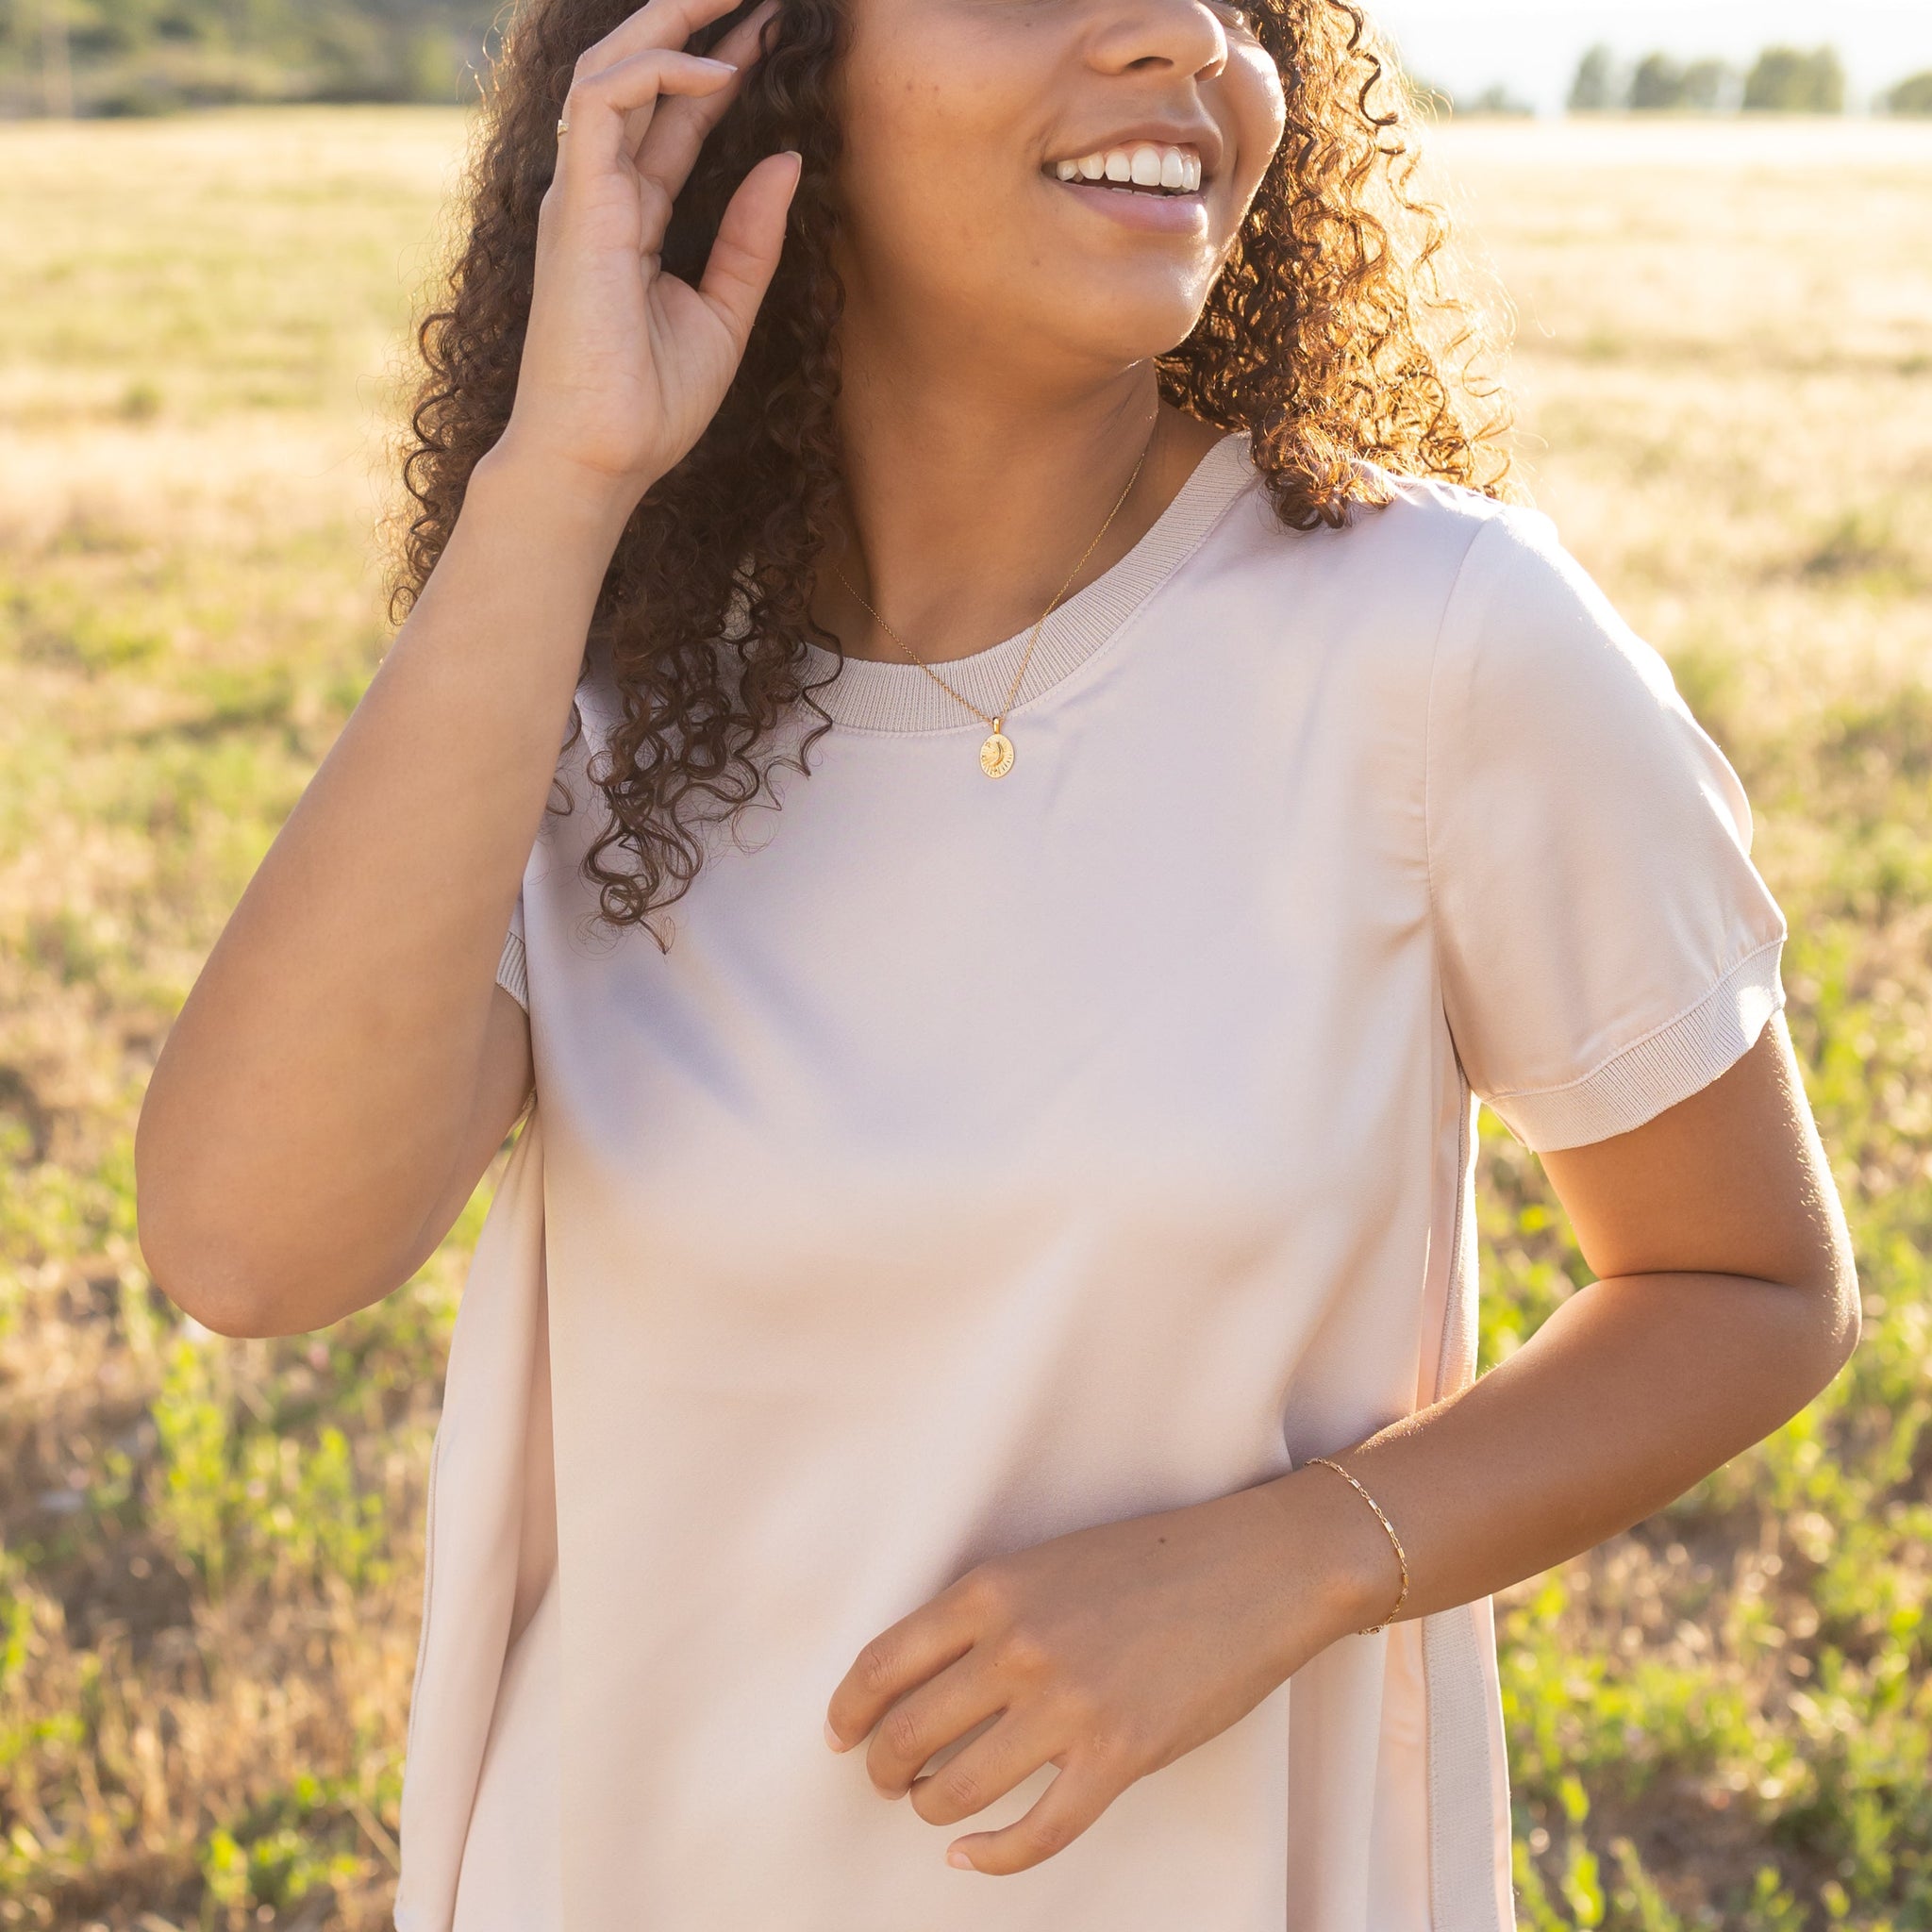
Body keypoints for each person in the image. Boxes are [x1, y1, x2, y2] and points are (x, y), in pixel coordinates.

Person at [133, 0, 1859, 1925]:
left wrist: (1292, 1558)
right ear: (760, 65)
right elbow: (252, 1250)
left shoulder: (1439, 645)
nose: (1179, 37)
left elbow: (1747, 1282)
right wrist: (558, 479)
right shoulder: (590, 687)